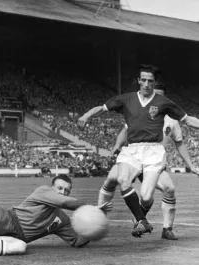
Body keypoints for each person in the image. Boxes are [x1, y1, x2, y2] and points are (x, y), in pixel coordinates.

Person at [78, 64, 199, 237]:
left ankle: (142, 219)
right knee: (121, 179)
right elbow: (102, 108)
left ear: (155, 82)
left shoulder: (164, 103)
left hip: (153, 151)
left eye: (150, 81)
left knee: (147, 197)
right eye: (143, 80)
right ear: (138, 80)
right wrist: (86, 115)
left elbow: (188, 120)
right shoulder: (126, 99)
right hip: (132, 149)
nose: (146, 84)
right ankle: (141, 221)